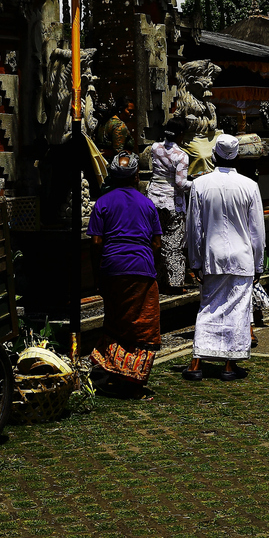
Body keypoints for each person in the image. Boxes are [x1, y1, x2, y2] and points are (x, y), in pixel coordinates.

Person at [183, 133, 265, 382]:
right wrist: (259, 262)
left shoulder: (200, 184)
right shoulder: (250, 185)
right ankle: (229, 365)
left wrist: (194, 260)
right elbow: (257, 231)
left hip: (213, 255)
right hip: (242, 256)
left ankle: (197, 361)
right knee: (238, 311)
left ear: (214, 155)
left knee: (208, 307)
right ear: (236, 156)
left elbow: (194, 228)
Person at [88, 152, 162, 398]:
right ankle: (132, 380)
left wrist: (98, 274)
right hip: (141, 269)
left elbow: (96, 242)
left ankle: (111, 370)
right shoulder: (147, 203)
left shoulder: (103, 202)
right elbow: (157, 243)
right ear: (136, 176)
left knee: (115, 321)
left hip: (112, 269)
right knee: (143, 326)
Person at [146, 116, 190, 293]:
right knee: (173, 244)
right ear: (180, 134)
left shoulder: (155, 147)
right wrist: (198, 184)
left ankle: (157, 279)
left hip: (153, 199)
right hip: (172, 202)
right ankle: (174, 284)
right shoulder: (181, 155)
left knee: (156, 241)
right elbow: (180, 184)